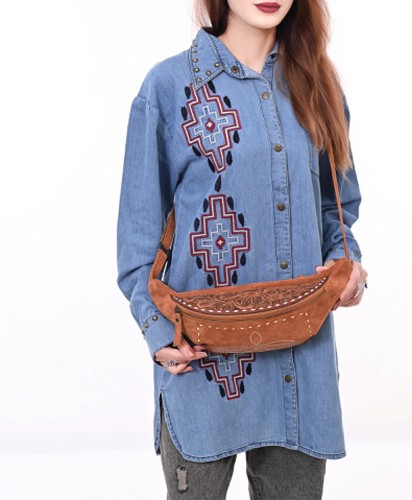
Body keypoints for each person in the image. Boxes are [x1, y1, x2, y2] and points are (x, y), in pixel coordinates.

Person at [117, 0, 368, 498]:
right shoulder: (168, 88)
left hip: (300, 358)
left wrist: (348, 265)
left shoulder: (318, 86)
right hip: (202, 359)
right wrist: (156, 330)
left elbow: (335, 208)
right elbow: (138, 237)